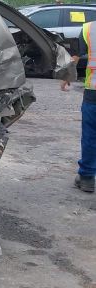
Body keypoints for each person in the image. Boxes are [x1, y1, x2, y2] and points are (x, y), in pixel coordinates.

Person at [61, 21, 95, 192]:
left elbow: (76, 56)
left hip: (94, 92)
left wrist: (68, 76)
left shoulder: (89, 29)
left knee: (90, 136)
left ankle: (87, 177)